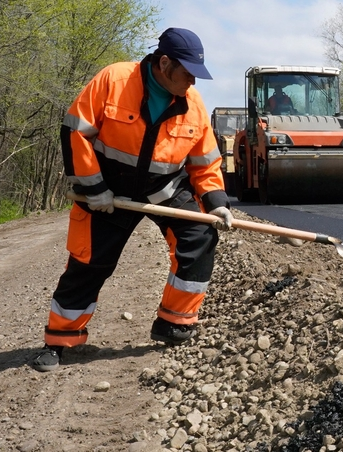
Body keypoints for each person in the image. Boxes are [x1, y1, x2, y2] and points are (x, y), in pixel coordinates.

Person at [30, 28, 235, 372]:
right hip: (108, 189)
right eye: (187, 74)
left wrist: (216, 202)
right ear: (164, 63)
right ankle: (60, 339)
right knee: (89, 262)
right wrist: (94, 190)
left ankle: (174, 323)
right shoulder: (114, 79)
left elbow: (205, 162)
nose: (192, 83)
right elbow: (75, 131)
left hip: (164, 189)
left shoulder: (193, 105)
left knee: (200, 236)